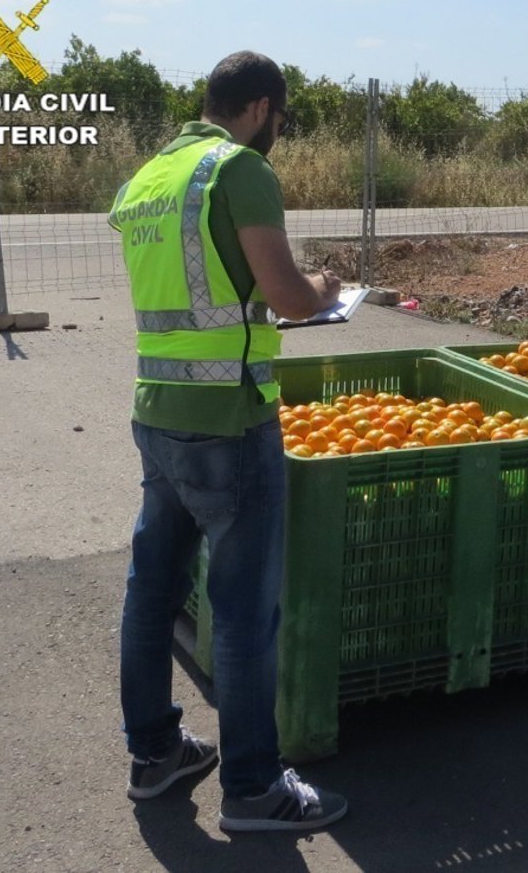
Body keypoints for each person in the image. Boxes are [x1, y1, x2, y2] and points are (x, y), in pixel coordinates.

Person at [108, 50, 347, 833]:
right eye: (282, 119)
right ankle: (252, 789)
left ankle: (154, 754)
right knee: (244, 612)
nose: (279, 133)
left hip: (157, 411)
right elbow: (286, 296)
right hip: (230, 421)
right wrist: (325, 289)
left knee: (152, 591)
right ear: (261, 108)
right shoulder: (238, 168)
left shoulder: (150, 177)